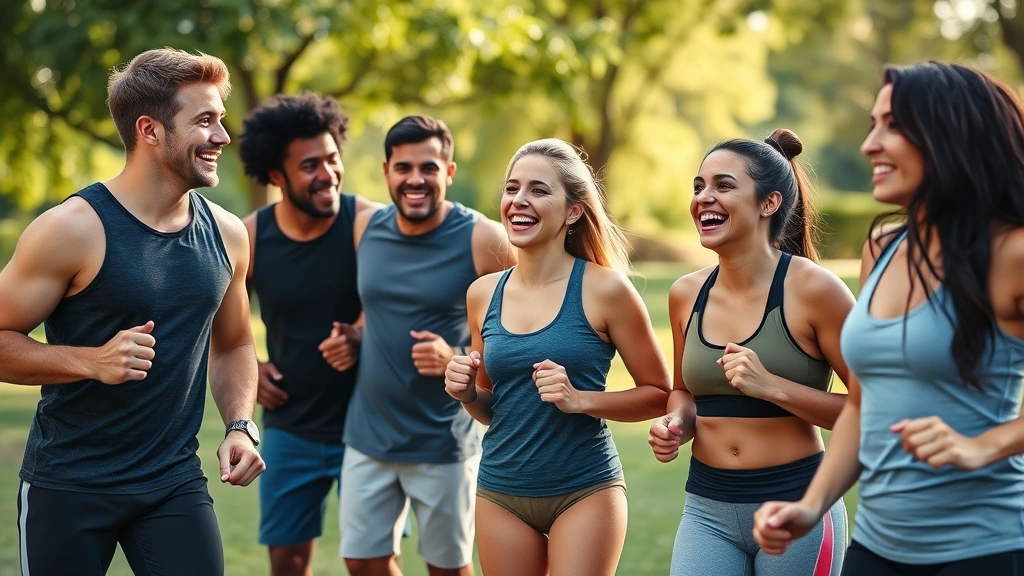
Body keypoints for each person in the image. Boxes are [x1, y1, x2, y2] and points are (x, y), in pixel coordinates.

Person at [0, 48, 264, 575]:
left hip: (172, 482)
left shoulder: (229, 234)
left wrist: (240, 424)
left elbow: (233, 343)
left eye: (222, 118)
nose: (223, 137)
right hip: (68, 482)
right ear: (150, 129)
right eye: (204, 120)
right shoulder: (71, 229)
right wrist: (90, 361)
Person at [753, 62, 1024, 575]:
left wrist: (980, 447)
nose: (870, 144)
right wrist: (811, 506)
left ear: (952, 132)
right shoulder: (883, 246)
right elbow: (862, 403)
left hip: (984, 548)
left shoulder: (1010, 252)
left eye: (892, 125)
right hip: (877, 548)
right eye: (872, 125)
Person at [442, 138, 671, 576]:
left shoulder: (606, 289)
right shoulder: (482, 294)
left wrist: (581, 399)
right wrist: (468, 393)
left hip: (584, 490)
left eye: (538, 190)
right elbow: (494, 408)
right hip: (501, 491)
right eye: (512, 189)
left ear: (573, 211)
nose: (519, 201)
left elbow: (661, 394)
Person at [648, 128, 854, 575]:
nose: (704, 197)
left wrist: (772, 388)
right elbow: (683, 392)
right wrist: (676, 423)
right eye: (699, 186)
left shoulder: (815, 290)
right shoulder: (686, 293)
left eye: (723, 185)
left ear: (769, 203)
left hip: (798, 504)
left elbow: (874, 409)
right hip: (706, 508)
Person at [339, 115, 515, 576]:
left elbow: (517, 329)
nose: (415, 179)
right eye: (404, 168)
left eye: (429, 168)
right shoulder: (366, 229)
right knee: (362, 561)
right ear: (386, 172)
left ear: (449, 172)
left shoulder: (483, 238)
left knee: (448, 568)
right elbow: (371, 304)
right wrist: (356, 335)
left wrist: (456, 360)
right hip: (368, 433)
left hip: (443, 438)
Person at [239, 92, 381, 576]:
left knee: (372, 563)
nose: (328, 173)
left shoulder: (366, 222)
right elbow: (222, 330)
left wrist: (361, 333)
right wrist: (251, 371)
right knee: (288, 562)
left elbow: (402, 300)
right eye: (310, 165)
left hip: (367, 424)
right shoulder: (250, 236)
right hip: (289, 428)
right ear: (276, 175)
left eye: (333, 158)